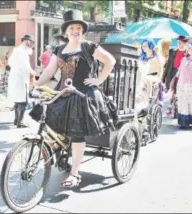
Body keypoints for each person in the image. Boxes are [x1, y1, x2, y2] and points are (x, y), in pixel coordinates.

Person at [29, 10, 116, 188]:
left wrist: (99, 79)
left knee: (77, 134)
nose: (75, 31)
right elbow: (50, 71)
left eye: (78, 28)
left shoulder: (88, 46)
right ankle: (58, 149)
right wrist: (36, 85)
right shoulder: (59, 49)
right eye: (72, 27)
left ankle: (75, 174)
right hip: (63, 93)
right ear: (66, 31)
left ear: (82, 30)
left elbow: (111, 61)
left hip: (83, 95)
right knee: (48, 121)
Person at [7, 34, 36, 128]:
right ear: (26, 41)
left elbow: (10, 62)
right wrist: (34, 73)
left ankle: (16, 120)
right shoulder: (23, 51)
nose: (32, 45)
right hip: (21, 78)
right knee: (23, 100)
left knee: (17, 100)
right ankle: (20, 122)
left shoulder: (16, 49)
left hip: (14, 77)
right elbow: (26, 66)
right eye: (31, 42)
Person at [136, 39, 164, 108]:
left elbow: (160, 70)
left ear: (151, 46)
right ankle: (138, 99)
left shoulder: (156, 58)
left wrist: (159, 80)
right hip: (144, 76)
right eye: (142, 46)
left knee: (147, 79)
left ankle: (148, 100)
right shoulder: (142, 58)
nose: (143, 47)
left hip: (154, 76)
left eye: (145, 46)